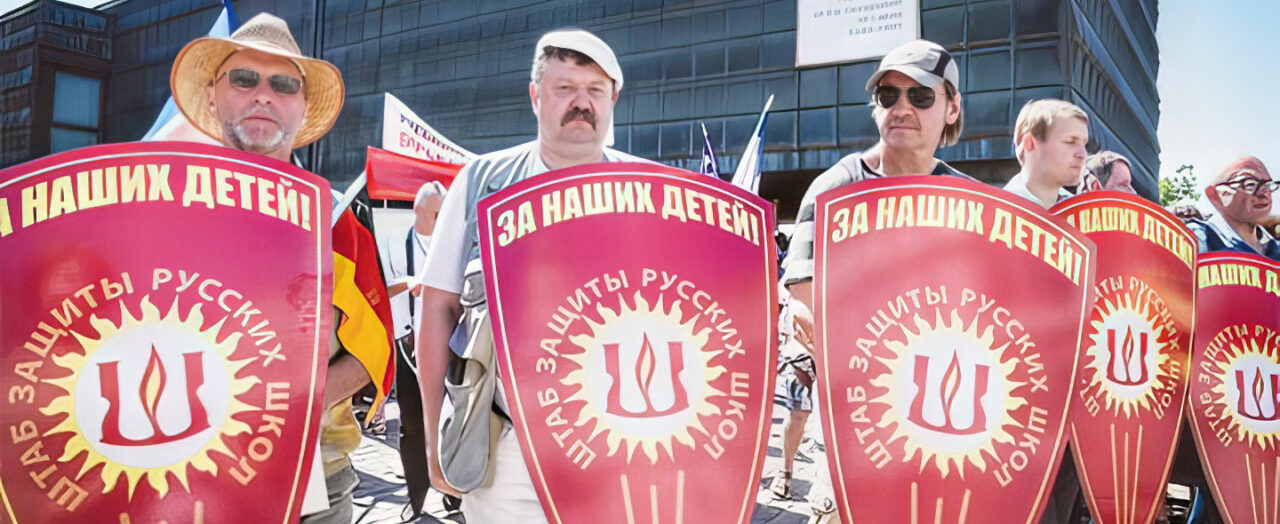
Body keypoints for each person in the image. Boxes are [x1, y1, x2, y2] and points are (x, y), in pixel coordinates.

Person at [415, 28, 644, 522]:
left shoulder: (649, 191)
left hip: (624, 444)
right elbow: (437, 308)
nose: (581, 103)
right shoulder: (480, 182)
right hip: (506, 452)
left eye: (595, 90)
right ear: (536, 95)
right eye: (565, 89)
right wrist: (434, 432)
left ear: (614, 100)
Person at [170, 14, 373, 522]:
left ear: (302, 108)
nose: (263, 94)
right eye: (244, 78)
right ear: (214, 97)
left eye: (283, 84)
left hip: (314, 483)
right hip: (180, 478)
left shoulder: (340, 220)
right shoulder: (161, 208)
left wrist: (277, 402)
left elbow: (373, 354)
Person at [782, 39, 968, 315]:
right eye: (888, 95)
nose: (902, 109)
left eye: (921, 96)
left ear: (952, 108)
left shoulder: (970, 202)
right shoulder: (835, 190)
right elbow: (802, 293)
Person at [382, 181, 447, 515]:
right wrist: (409, 284)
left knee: (449, 422)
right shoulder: (394, 241)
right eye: (436, 212)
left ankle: (453, 493)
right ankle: (417, 500)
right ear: (418, 210)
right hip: (408, 343)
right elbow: (379, 287)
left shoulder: (450, 242)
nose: (440, 218)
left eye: (443, 211)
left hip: (446, 345)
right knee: (412, 424)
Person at [769, 287, 816, 500]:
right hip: (801, 348)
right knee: (798, 413)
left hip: (839, 335)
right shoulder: (798, 263)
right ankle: (785, 471)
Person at [1185, 156, 1280, 260]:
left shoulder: (1275, 249)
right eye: (1250, 184)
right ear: (1217, 195)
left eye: (1268, 185)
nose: (1264, 194)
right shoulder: (1196, 238)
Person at [1002, 99, 1090, 208]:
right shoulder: (994, 215)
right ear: (1029, 143)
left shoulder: (1081, 213)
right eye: (1070, 141)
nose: (1083, 154)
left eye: (1084, 144)